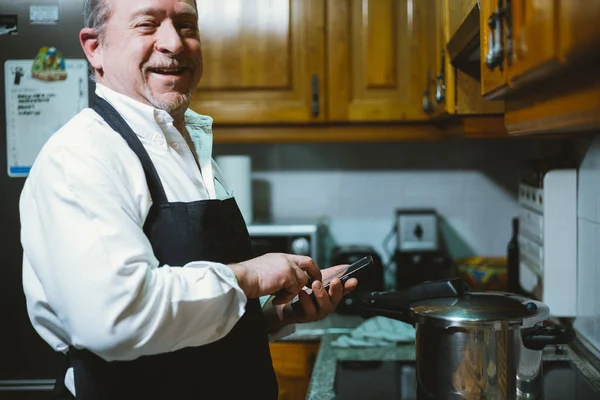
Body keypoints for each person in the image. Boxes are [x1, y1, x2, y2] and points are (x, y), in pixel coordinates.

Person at [19, 0, 358, 399]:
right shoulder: (81, 155)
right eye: (147, 25)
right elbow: (117, 319)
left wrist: (273, 313)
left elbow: (187, 326)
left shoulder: (187, 145)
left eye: (186, 25)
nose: (174, 44)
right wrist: (250, 276)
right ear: (95, 48)